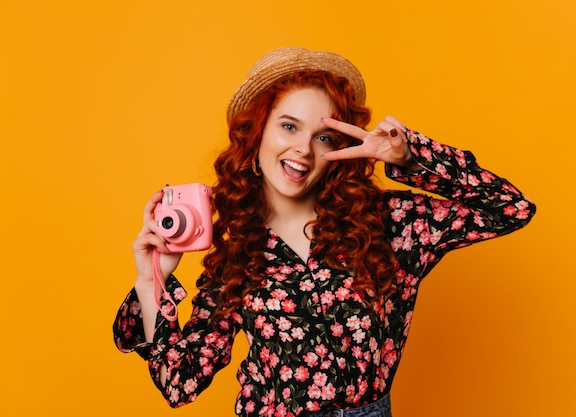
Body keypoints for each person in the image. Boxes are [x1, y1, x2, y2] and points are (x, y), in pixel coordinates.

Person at [113, 46, 536, 417]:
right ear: (257, 132)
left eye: (325, 137)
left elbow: (510, 209)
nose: (303, 149)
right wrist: (152, 281)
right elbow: (179, 384)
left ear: (339, 149)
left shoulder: (390, 225)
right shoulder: (235, 255)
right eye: (289, 126)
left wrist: (411, 156)